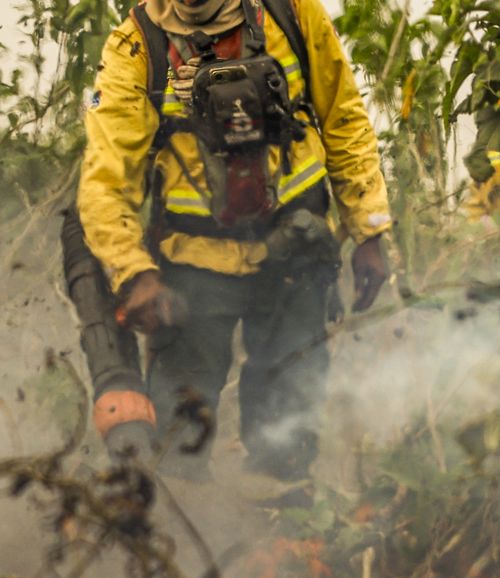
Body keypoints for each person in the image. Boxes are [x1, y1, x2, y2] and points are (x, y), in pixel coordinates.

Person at [78, 0, 393, 496]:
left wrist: (369, 227)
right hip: (194, 268)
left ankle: (286, 527)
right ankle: (193, 532)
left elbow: (344, 118)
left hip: (295, 256)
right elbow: (106, 180)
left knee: (288, 430)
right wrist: (135, 272)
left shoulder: (292, 13)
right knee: (178, 441)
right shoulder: (137, 44)